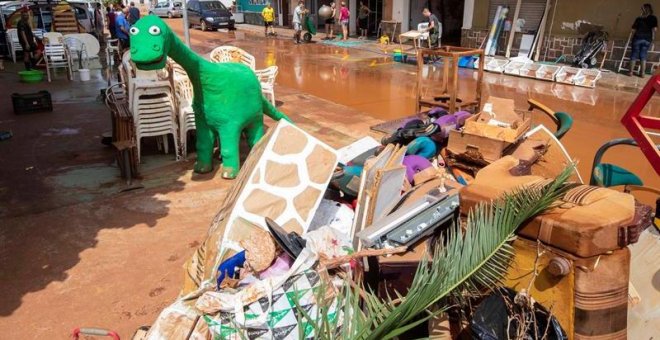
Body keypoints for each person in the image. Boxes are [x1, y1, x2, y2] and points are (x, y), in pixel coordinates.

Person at [629, 3, 657, 77]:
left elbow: (633, 30)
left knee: (634, 55)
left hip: (637, 38)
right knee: (643, 55)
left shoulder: (639, 18)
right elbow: (655, 29)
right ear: (650, 10)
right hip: (647, 39)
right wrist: (652, 37)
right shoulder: (654, 18)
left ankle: (630, 72)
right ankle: (642, 73)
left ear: (643, 10)